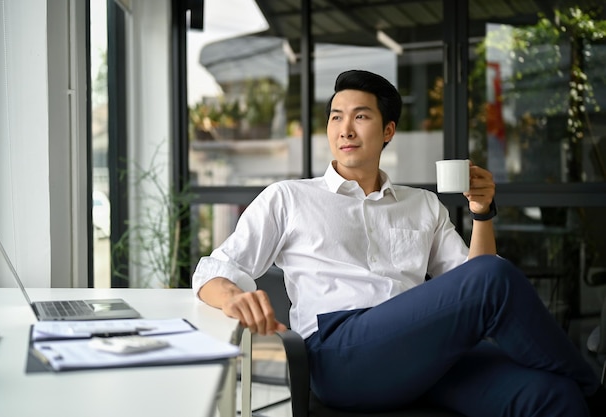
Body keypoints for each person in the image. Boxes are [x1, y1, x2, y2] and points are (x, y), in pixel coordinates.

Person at [193, 69, 606, 416]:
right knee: (498, 282)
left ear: (388, 130)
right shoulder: (289, 197)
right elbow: (214, 268)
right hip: (342, 355)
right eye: (336, 118)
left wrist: (481, 213)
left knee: (555, 397)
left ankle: (583, 391)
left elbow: (473, 282)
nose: (345, 129)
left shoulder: (422, 204)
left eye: (360, 116)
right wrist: (232, 297)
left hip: (424, 351)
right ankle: (597, 387)